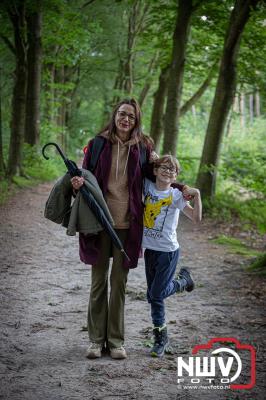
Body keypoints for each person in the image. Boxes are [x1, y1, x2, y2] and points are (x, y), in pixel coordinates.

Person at [71, 98, 155, 359]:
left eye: (131, 116)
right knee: (98, 283)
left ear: (136, 120)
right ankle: (96, 341)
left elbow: (157, 180)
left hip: (128, 225)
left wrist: (181, 188)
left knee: (119, 283)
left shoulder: (144, 147)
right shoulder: (97, 145)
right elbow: (84, 178)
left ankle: (116, 341)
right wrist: (76, 184)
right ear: (114, 116)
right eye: (122, 114)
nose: (125, 119)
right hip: (99, 223)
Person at [142, 155, 202, 357]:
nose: (168, 172)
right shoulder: (146, 186)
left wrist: (198, 195)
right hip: (150, 250)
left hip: (168, 251)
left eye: (173, 170)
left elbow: (196, 218)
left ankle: (182, 281)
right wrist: (155, 157)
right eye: (164, 168)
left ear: (176, 176)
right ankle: (161, 339)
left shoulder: (176, 195)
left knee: (155, 295)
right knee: (154, 297)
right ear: (156, 170)